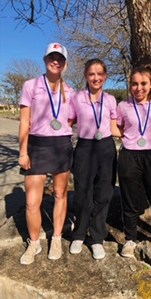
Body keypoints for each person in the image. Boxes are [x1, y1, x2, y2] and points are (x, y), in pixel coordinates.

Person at [18, 42, 74, 265]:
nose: (55, 61)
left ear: (65, 63)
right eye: (52, 56)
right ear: (45, 59)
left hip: (62, 145)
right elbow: (24, 121)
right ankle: (34, 242)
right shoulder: (31, 85)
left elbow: (71, 119)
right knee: (33, 202)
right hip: (37, 145)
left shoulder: (70, 90)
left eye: (60, 58)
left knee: (60, 194)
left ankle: (57, 238)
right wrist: (23, 151)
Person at [116, 65, 151, 258]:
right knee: (129, 200)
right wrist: (128, 136)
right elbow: (116, 127)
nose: (138, 87)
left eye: (143, 83)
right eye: (134, 84)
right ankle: (130, 239)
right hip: (130, 155)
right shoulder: (123, 106)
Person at [68, 58, 118, 260]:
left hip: (106, 147)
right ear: (86, 76)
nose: (96, 77)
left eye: (99, 74)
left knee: (104, 193)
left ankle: (97, 237)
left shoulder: (111, 100)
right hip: (85, 147)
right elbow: (68, 122)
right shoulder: (77, 98)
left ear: (105, 76)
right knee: (82, 193)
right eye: (91, 74)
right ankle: (79, 234)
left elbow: (114, 127)